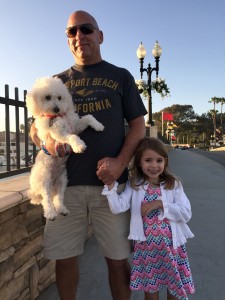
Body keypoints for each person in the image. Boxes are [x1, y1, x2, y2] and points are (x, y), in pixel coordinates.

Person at [30, 10, 147, 300]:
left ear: (100, 35)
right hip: (64, 187)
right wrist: (46, 143)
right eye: (72, 32)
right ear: (68, 40)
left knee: (118, 260)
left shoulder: (120, 76)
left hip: (111, 188)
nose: (79, 36)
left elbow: (138, 126)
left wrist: (120, 163)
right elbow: (36, 129)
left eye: (86, 29)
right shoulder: (55, 82)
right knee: (65, 259)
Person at [102, 137, 195, 300]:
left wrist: (161, 204)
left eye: (159, 160)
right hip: (147, 249)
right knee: (151, 291)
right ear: (139, 162)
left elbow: (186, 213)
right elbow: (118, 207)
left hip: (172, 247)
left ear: (165, 161)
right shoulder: (135, 185)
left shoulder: (173, 184)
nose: (154, 165)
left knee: (174, 290)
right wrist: (110, 188)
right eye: (148, 160)